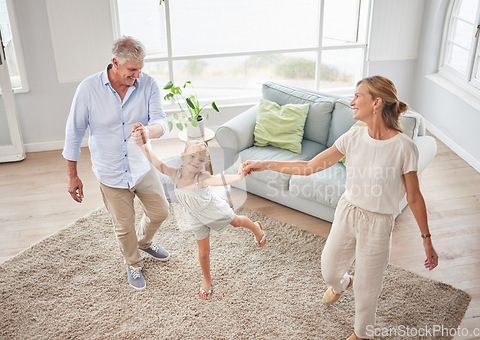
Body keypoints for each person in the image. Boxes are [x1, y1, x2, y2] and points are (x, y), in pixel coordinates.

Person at [241, 76, 438, 340]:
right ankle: (343, 283)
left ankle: (360, 334)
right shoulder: (353, 136)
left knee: (368, 291)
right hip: (347, 213)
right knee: (330, 270)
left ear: (376, 102)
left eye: (358, 96)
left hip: (378, 224)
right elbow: (309, 167)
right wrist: (265, 164)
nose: (352, 102)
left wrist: (426, 240)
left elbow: (414, 197)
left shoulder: (404, 148)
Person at [63, 36, 171, 291]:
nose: (137, 75)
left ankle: (145, 242)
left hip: (141, 165)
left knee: (160, 211)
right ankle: (132, 263)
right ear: (115, 63)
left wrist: (148, 131)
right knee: (124, 227)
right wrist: (72, 176)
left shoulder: (148, 84)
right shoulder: (88, 89)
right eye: (132, 70)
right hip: (110, 170)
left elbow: (161, 121)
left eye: (140, 69)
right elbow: (74, 132)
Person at [131, 128, 267, 300]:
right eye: (192, 156)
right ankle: (207, 279)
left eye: (201, 159)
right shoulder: (174, 174)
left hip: (213, 210)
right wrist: (142, 145)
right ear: (183, 157)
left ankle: (255, 228)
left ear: (204, 164)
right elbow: (156, 162)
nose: (196, 161)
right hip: (195, 216)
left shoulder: (201, 178)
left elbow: (221, 180)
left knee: (237, 222)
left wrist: (240, 176)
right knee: (203, 252)